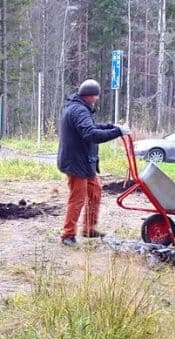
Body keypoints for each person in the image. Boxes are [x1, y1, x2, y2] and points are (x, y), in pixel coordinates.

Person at [57, 78, 129, 246]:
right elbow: (91, 134)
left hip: (84, 163)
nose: (97, 99)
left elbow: (93, 127)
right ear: (89, 96)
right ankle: (67, 234)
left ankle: (89, 229)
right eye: (96, 96)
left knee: (95, 192)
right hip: (76, 164)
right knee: (78, 198)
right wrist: (118, 132)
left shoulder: (79, 108)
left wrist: (112, 127)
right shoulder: (79, 111)